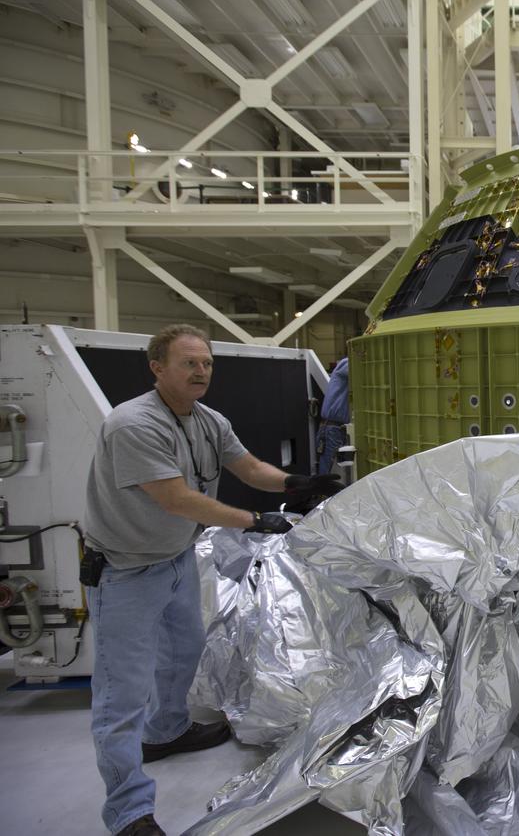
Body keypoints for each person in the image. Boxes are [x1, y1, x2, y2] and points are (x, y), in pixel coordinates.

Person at [81, 324, 344, 836]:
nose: (201, 372)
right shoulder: (133, 424)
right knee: (121, 695)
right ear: (157, 368)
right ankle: (128, 811)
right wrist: (255, 520)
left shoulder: (207, 420)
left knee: (185, 652)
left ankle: (167, 731)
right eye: (189, 363)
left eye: (206, 363)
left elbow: (249, 468)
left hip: (174, 560)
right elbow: (176, 499)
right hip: (125, 571)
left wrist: (297, 482)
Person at [316, 356, 349, 475]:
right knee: (329, 474)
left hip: (340, 429)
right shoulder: (347, 363)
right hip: (333, 429)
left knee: (342, 474)